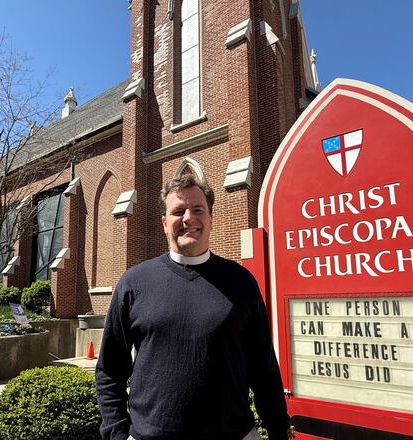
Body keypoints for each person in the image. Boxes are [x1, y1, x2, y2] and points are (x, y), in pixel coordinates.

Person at [96, 174, 291, 440]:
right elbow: (110, 369)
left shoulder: (241, 282)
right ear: (165, 223)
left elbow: (264, 370)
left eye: (198, 209)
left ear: (210, 218)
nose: (189, 218)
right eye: (178, 211)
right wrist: (116, 434)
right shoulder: (135, 282)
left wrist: (279, 431)